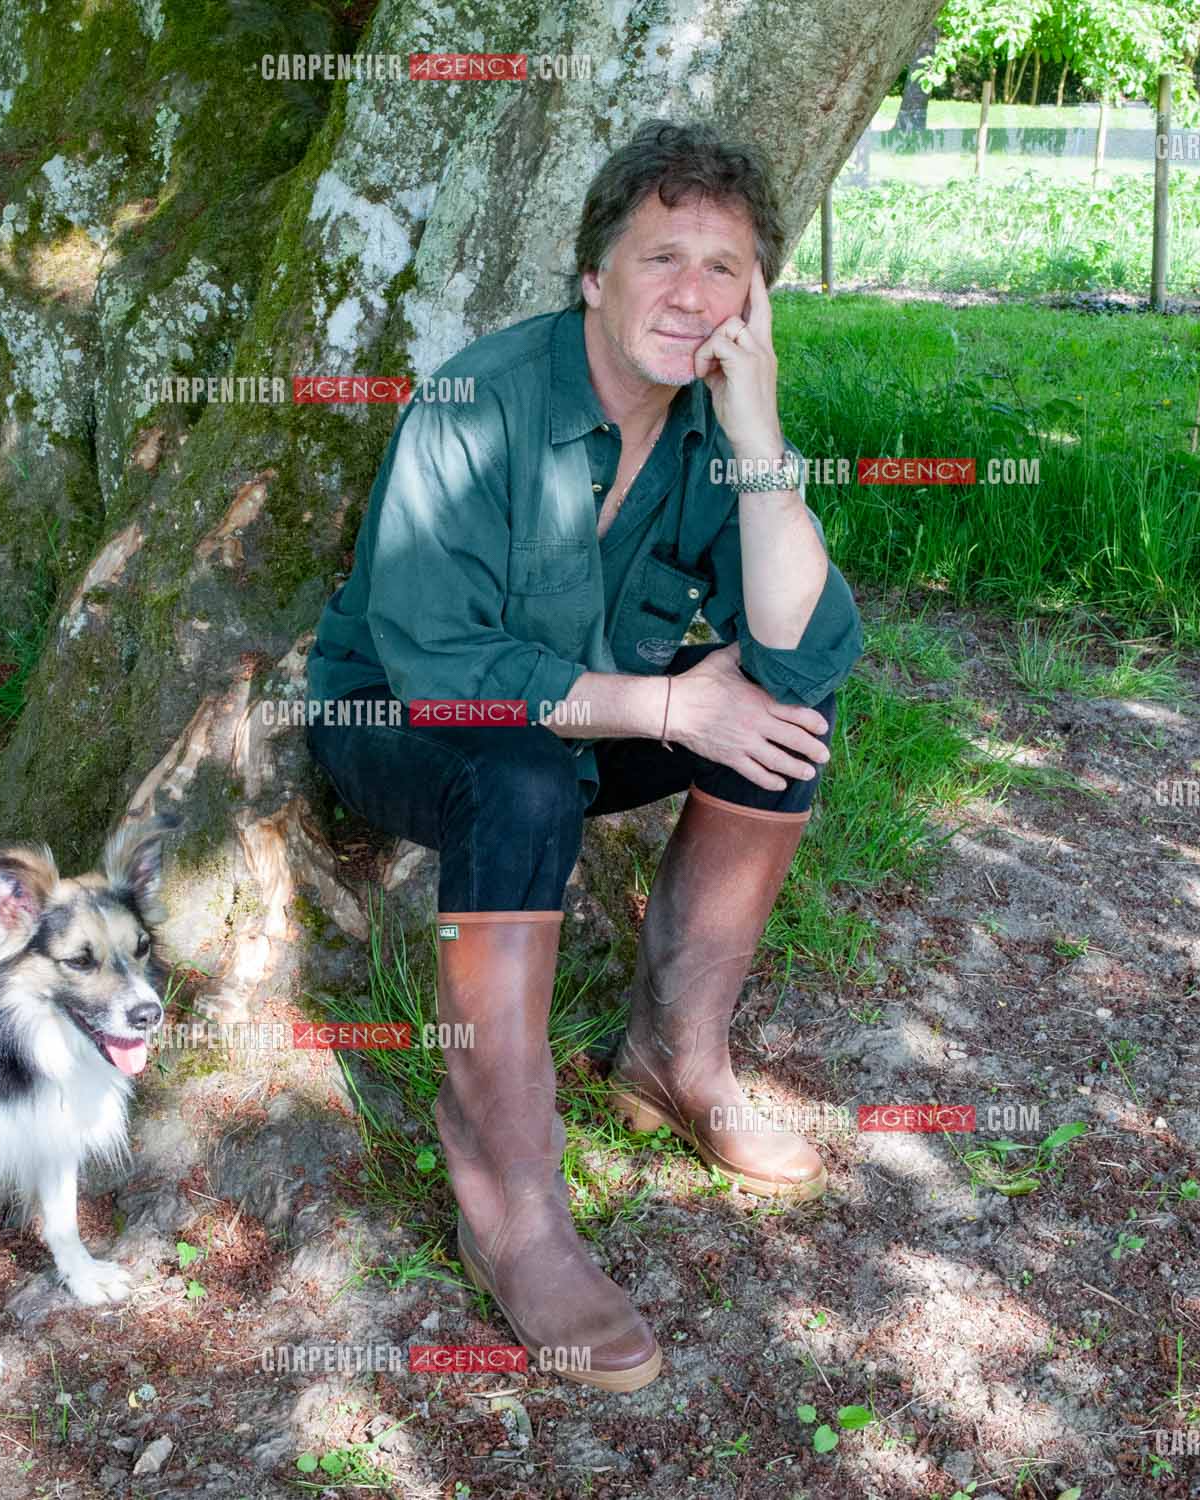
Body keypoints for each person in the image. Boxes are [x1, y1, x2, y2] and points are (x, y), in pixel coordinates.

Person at [302, 119, 864, 1392]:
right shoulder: (477, 401)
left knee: (782, 733)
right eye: (661, 255)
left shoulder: (720, 429)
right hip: (401, 721)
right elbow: (441, 667)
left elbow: (805, 650)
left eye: (725, 268)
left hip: (579, 715)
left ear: (755, 300)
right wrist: (671, 712)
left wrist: (763, 436)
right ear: (592, 277)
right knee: (516, 779)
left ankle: (674, 1060)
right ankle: (510, 1203)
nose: (691, 292)